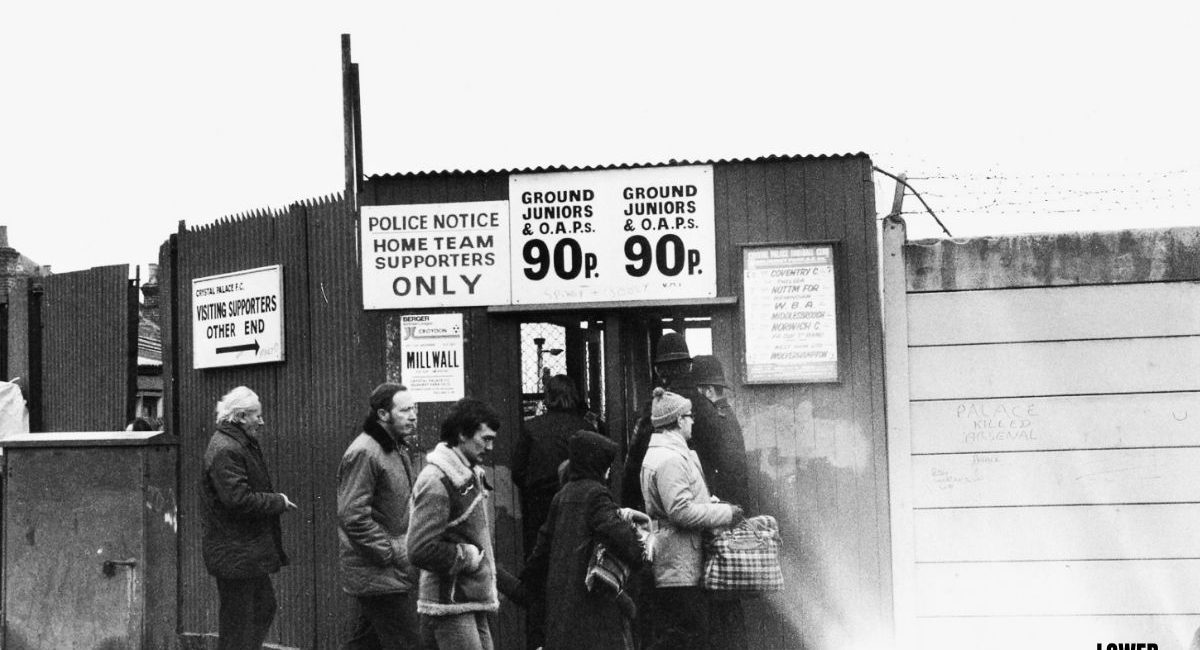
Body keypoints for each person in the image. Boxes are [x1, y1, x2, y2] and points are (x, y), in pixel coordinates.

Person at [522, 430, 648, 650]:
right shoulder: (596, 494)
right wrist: (640, 549)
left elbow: (542, 548)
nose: (608, 472)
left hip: (562, 604)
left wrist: (526, 581)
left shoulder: (562, 495)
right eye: (606, 465)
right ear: (596, 464)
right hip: (591, 602)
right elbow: (620, 536)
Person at [640, 387, 743, 650]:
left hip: (677, 561)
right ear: (678, 420)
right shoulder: (671, 460)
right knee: (689, 636)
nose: (693, 421)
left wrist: (709, 503)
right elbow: (681, 511)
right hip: (680, 564)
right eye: (689, 416)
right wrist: (726, 513)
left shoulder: (667, 454)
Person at [201, 386, 297, 650]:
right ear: (242, 416)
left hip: (241, 551)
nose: (261, 421)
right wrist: (278, 502)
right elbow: (238, 500)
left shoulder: (234, 444)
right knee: (242, 621)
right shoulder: (227, 449)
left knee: (258, 610)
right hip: (235, 552)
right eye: (257, 415)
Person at [407, 398, 503, 650]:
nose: (490, 447)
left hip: (466, 599)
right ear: (462, 434)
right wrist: (466, 556)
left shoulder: (467, 473)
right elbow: (419, 549)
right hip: (449, 603)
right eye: (486, 438)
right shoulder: (437, 480)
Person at [511, 374, 595, 649]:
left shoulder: (532, 428)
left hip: (539, 508)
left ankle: (539, 641)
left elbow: (517, 471)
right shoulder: (586, 428)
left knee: (540, 576)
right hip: (579, 507)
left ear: (547, 396)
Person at [337, 383, 422, 649]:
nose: (413, 416)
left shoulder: (394, 448)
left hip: (386, 571)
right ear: (383, 414)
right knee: (409, 643)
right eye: (405, 410)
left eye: (414, 409)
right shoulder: (366, 451)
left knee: (366, 643)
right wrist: (391, 552)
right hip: (380, 570)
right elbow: (353, 516)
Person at [689, 355, 752, 650]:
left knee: (721, 599)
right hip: (731, 514)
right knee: (727, 600)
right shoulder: (726, 418)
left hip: (723, 518)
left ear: (705, 390)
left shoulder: (716, 421)